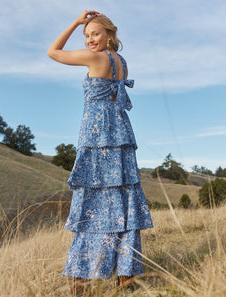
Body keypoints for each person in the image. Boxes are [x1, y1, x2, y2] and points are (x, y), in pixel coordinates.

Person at [47, 10, 153, 293]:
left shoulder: (94, 58)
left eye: (95, 33)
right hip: (121, 134)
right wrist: (86, 26)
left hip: (97, 135)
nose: (90, 39)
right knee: (123, 201)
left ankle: (81, 282)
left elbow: (53, 52)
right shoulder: (122, 62)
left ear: (109, 34)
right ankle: (126, 278)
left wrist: (74, 23)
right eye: (87, 35)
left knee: (92, 202)